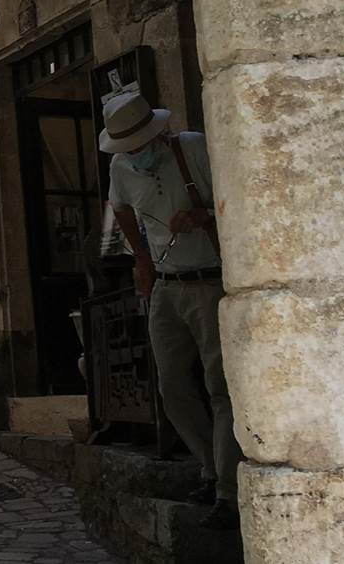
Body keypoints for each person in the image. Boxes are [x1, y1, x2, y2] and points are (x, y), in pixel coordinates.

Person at [101, 90, 241, 530]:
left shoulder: (195, 148)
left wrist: (201, 216)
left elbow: (238, 201)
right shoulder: (120, 166)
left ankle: (227, 491)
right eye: (127, 147)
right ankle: (209, 466)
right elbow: (120, 209)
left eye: (140, 143)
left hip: (211, 280)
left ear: (158, 132)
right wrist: (141, 258)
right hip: (165, 286)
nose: (134, 153)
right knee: (172, 388)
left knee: (220, 387)